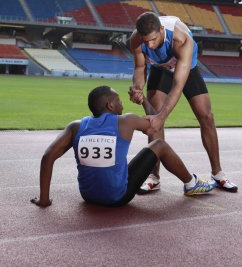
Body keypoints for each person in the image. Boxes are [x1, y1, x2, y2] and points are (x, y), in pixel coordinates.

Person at [31, 86, 216, 208]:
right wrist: (143, 100)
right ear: (110, 105)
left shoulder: (75, 126)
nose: (122, 103)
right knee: (159, 145)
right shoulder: (127, 121)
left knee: (118, 165)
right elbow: (156, 122)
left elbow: (48, 157)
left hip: (87, 196)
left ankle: (46, 199)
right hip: (118, 197)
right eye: (118, 100)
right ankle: (191, 184)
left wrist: (45, 200)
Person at [129, 12, 238, 194]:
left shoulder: (181, 39)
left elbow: (178, 85)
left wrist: (162, 117)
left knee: (206, 115)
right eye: (146, 41)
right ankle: (154, 177)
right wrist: (137, 88)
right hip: (160, 68)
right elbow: (140, 68)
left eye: (154, 40)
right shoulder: (136, 40)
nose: (150, 45)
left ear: (162, 30)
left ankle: (217, 173)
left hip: (185, 67)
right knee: (153, 119)